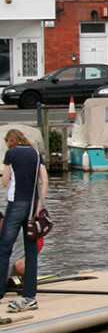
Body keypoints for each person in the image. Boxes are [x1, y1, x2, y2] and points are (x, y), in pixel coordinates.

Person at [0, 130, 48, 313]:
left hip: (16, 205)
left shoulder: (10, 154)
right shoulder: (36, 154)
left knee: (4, 249)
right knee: (31, 253)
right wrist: (39, 204)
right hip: (32, 206)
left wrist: (7, 174)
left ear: (10, 141)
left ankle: (0, 292)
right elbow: (44, 180)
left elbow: (5, 182)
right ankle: (29, 296)